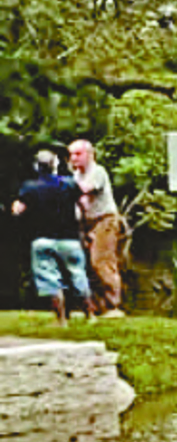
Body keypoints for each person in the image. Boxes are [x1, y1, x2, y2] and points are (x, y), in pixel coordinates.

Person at [11, 149, 91, 324]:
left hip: (42, 239)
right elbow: (85, 205)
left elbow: (18, 210)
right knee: (78, 275)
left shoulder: (29, 187)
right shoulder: (69, 184)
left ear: (36, 166)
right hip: (70, 238)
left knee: (50, 280)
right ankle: (90, 316)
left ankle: (61, 320)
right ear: (56, 165)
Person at [67, 138, 124, 317]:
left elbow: (84, 190)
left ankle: (113, 306)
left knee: (102, 261)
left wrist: (61, 187)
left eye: (78, 154)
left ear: (90, 155)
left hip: (104, 219)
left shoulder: (97, 172)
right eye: (71, 155)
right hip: (86, 222)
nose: (73, 159)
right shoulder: (76, 176)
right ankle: (93, 306)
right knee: (85, 264)